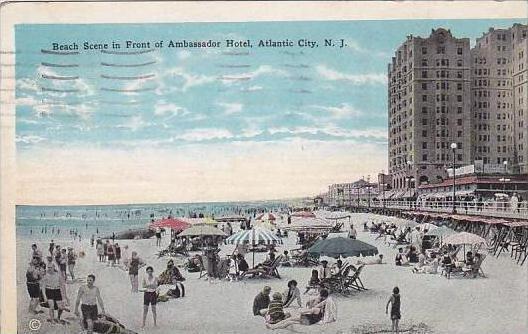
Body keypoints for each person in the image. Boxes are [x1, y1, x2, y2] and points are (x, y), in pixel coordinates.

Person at [266, 289, 336, 329]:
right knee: (290, 321)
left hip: (306, 319)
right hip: (309, 321)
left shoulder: (316, 309)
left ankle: (273, 327)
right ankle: (273, 327)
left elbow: (306, 311)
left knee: (289, 320)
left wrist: (300, 310)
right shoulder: (321, 312)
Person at [41, 258, 66, 323]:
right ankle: (52, 319)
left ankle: (58, 317)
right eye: (48, 267)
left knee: (60, 307)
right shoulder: (45, 276)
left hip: (57, 291)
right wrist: (44, 297)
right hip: (49, 291)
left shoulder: (58, 275)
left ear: (54, 267)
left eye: (50, 267)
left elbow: (62, 286)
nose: (49, 269)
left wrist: (64, 296)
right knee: (51, 307)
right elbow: (43, 287)